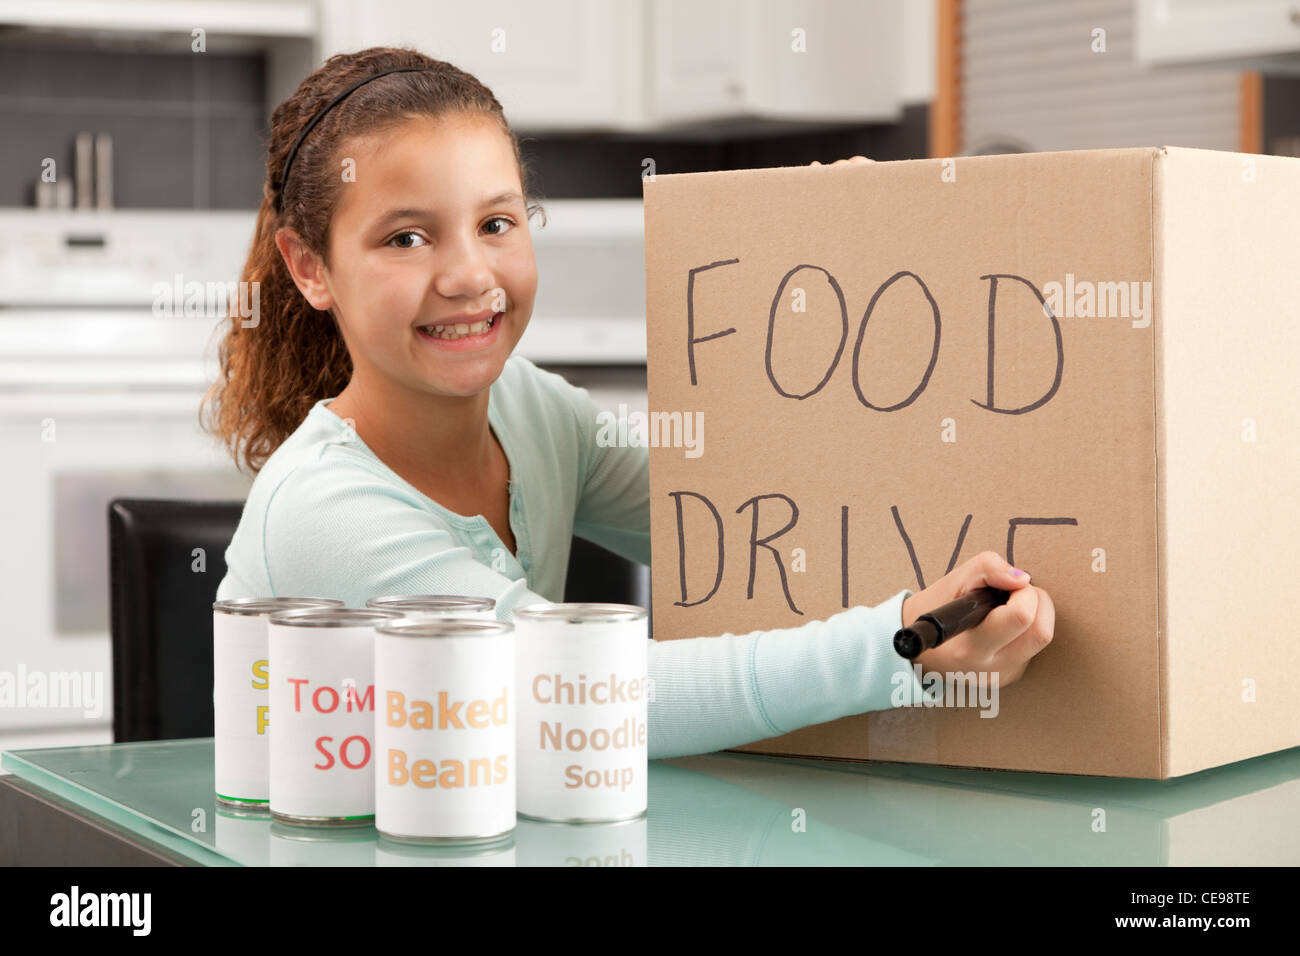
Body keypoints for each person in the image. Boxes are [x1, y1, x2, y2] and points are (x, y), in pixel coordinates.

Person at [204, 47, 1056, 761]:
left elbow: (751, 511)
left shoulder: (532, 410)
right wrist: (899, 643)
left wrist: (830, 236)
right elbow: (582, 695)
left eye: (497, 223)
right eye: (405, 237)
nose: (468, 276)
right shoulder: (325, 510)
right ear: (309, 266)